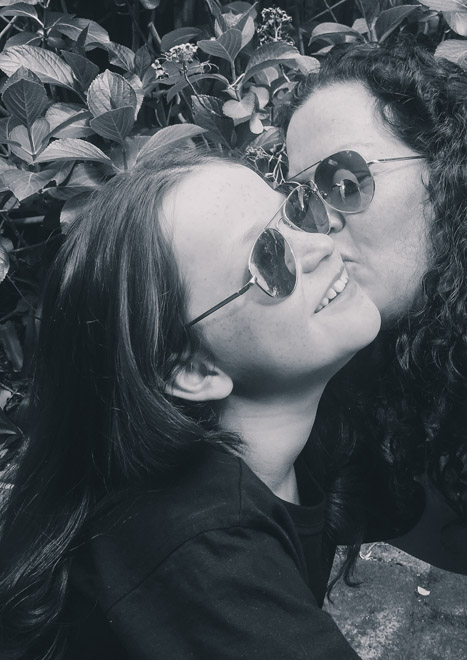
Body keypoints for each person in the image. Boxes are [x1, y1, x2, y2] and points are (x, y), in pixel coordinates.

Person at [0, 147, 383, 659]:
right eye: (268, 258)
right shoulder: (199, 547)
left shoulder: (313, 433)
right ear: (194, 370)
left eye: (294, 209)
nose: (321, 241)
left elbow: (440, 525)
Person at [283, 36, 467, 658]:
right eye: (301, 203)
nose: (317, 228)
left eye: (345, 180)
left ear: (452, 171)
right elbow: (423, 520)